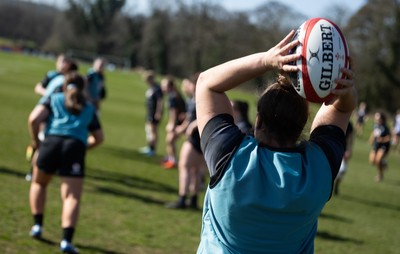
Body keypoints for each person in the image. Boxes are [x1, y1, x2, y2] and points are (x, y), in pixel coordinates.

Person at [195, 30, 357, 253]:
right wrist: (340, 89)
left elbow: (207, 83)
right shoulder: (320, 170)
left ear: (258, 120)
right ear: (302, 127)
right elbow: (340, 109)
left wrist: (267, 60)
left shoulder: (230, 155)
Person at [28, 72, 104, 254]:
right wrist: (82, 147)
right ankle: (66, 241)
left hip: (51, 143)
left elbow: (33, 119)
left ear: (64, 86)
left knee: (39, 183)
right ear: (83, 88)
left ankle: (38, 226)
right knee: (71, 196)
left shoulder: (54, 98)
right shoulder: (89, 107)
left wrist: (37, 143)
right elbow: (99, 138)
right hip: (75, 147)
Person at [165, 74, 206, 209]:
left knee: (184, 166)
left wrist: (193, 125)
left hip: (195, 139)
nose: (185, 87)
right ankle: (193, 200)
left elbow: (203, 117)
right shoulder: (194, 99)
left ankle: (182, 199)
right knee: (195, 170)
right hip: (202, 140)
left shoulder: (200, 99)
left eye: (187, 84)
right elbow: (190, 118)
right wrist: (182, 128)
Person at [160, 76, 186, 169]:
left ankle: (173, 161)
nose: (162, 87)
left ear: (169, 86)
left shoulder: (172, 96)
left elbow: (174, 112)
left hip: (180, 123)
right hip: (181, 122)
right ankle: (170, 158)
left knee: (170, 140)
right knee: (170, 141)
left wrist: (172, 124)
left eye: (164, 85)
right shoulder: (175, 94)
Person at [138, 71, 164, 157]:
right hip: (149, 113)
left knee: (153, 131)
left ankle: (152, 150)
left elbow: (160, 101)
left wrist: (158, 112)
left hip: (154, 113)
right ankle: (149, 147)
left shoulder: (157, 88)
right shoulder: (151, 87)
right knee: (149, 130)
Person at [369, 112, 391, 182]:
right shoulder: (376, 125)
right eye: (376, 118)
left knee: (378, 161)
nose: (376, 119)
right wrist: (371, 138)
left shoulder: (385, 127)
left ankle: (380, 175)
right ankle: (383, 162)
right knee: (372, 161)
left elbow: (389, 137)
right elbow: (374, 132)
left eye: (378, 118)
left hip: (384, 146)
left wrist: (382, 139)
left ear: (382, 119)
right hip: (376, 145)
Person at [334, 121, 355, 195]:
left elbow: (351, 138)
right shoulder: (334, 121)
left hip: (343, 149)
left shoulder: (349, 125)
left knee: (342, 170)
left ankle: (336, 185)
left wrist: (349, 150)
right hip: (333, 148)